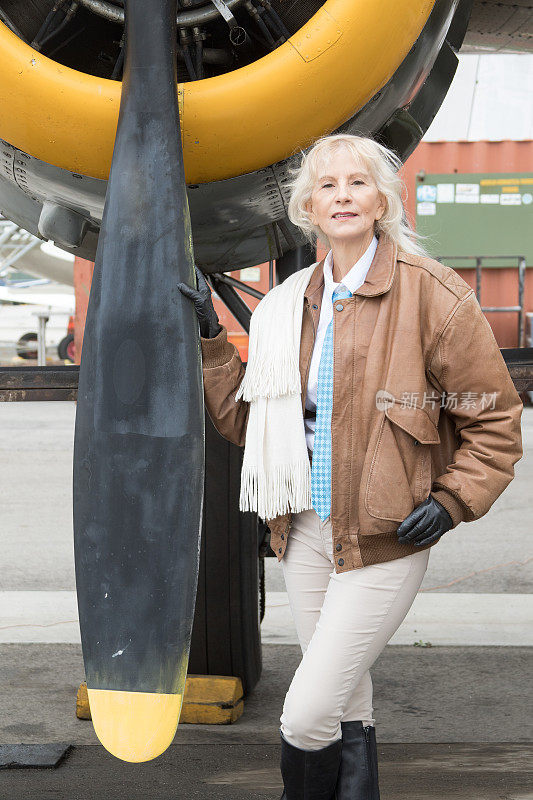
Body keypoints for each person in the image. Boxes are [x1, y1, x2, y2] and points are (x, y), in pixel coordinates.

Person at [178, 133, 523, 800]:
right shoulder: (287, 308)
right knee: (345, 702)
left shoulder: (433, 296)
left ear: (382, 200)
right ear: (306, 206)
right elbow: (249, 426)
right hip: (303, 533)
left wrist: (452, 499)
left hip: (384, 536)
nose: (341, 195)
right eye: (327, 185)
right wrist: (212, 343)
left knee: (306, 716)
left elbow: (492, 421)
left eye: (357, 182)